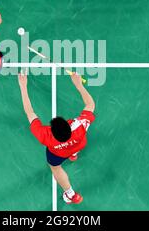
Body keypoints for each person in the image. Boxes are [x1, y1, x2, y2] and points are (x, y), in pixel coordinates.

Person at [18, 71, 96, 204]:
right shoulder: (79, 125)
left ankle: (71, 194)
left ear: (52, 130)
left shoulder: (45, 135)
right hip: (78, 143)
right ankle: (74, 154)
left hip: (57, 154)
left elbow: (30, 113)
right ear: (68, 124)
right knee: (75, 147)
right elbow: (90, 105)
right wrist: (78, 85)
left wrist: (23, 86)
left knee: (55, 168)